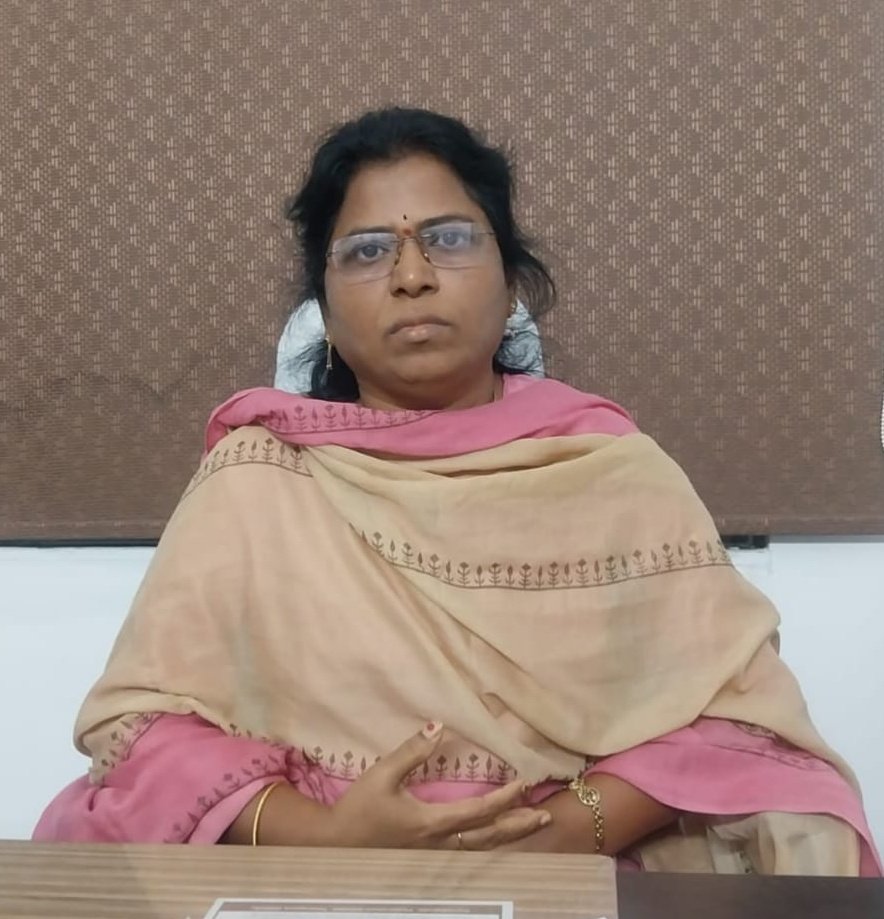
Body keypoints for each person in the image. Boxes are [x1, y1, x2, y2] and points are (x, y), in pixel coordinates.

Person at [34, 107, 880, 875]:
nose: (411, 275)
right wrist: (325, 835)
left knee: (798, 820)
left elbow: (738, 714)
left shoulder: (611, 473)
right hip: (307, 865)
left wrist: (561, 833)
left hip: (574, 859)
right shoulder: (260, 480)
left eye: (446, 238)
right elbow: (140, 727)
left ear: (510, 283)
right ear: (324, 309)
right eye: (368, 250)